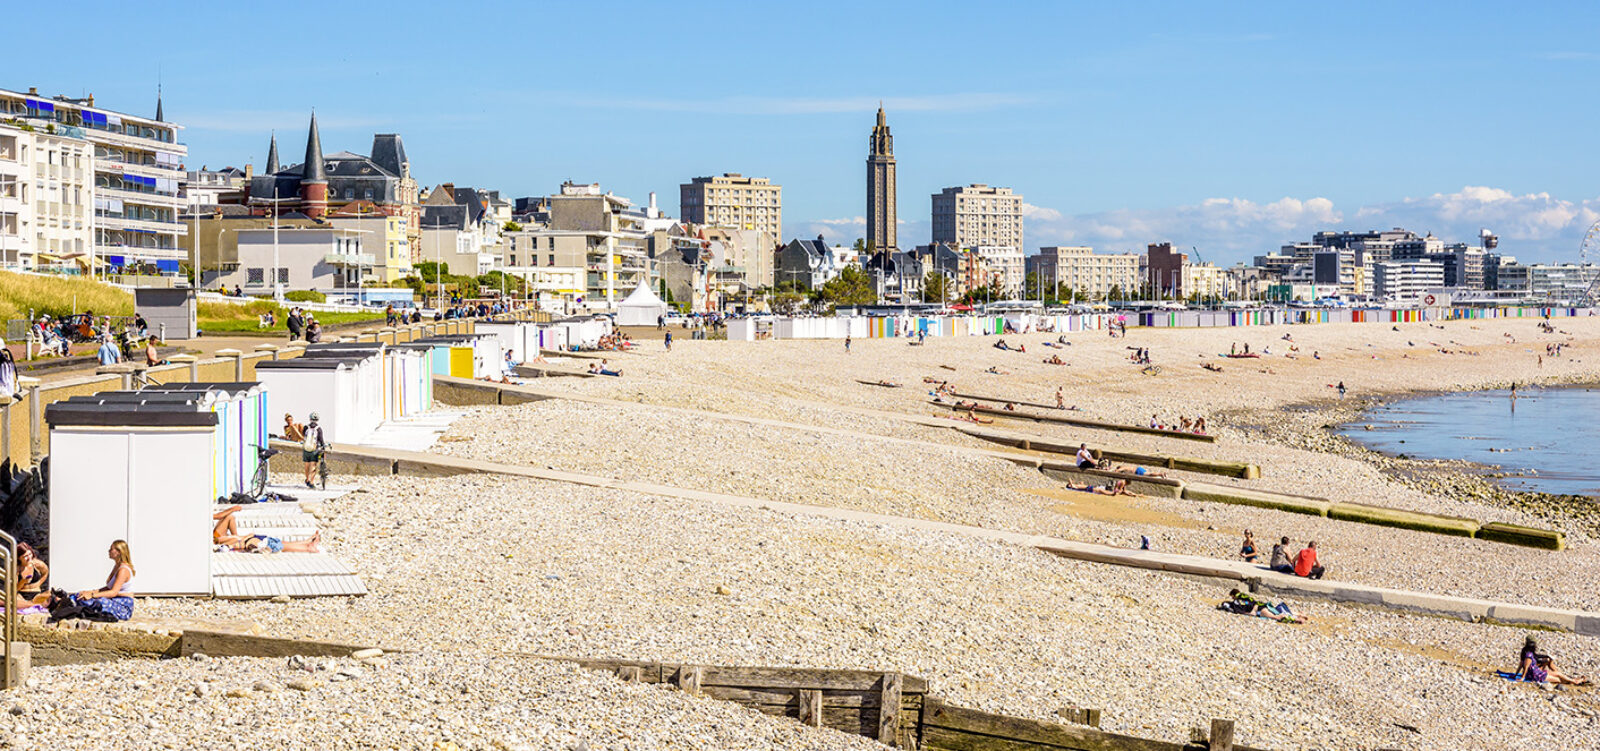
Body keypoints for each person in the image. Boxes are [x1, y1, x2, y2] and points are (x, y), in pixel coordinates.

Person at [50, 540, 135, 623]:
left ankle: (64, 602)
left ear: (119, 552)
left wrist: (92, 595)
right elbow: (108, 588)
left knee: (98, 601)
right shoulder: (117, 566)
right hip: (114, 600)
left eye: (111, 549)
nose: (108, 551)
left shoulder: (123, 570)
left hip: (123, 607)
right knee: (81, 594)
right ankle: (64, 601)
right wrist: (90, 592)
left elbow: (113, 592)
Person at [13, 542, 49, 610]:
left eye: (30, 554)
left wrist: (39, 583)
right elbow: (15, 589)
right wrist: (23, 582)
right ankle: (33, 605)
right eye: (25, 556)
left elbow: (45, 572)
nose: (29, 557)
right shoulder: (17, 569)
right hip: (22, 595)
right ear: (19, 558)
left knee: (50, 594)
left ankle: (31, 604)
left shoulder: (37, 564)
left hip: (36, 594)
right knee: (11, 599)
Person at [301, 413, 326, 488]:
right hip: (314, 449)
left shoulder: (306, 427)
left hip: (306, 448)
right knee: (313, 465)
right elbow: (321, 440)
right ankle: (311, 482)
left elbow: (303, 436)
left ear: (310, 419)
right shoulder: (318, 429)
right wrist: (323, 447)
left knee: (306, 465)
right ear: (317, 420)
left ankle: (307, 479)